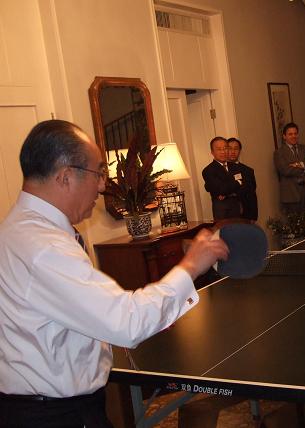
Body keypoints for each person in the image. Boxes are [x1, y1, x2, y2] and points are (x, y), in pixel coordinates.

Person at [0, 120, 229, 427]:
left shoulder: (16, 229)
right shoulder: (44, 247)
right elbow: (126, 321)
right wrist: (191, 266)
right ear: (65, 176)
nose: (102, 186)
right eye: (97, 173)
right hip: (55, 416)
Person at [273, 122, 305, 216]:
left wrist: (299, 164)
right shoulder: (279, 153)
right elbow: (285, 170)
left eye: (295, 133)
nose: (294, 136)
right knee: (296, 223)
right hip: (292, 195)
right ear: (284, 136)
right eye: (290, 134)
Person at [202, 136, 243, 221]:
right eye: (219, 149)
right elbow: (221, 189)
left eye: (225, 148)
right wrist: (237, 183)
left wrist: (225, 192)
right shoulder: (208, 170)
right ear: (212, 152)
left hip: (236, 206)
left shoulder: (235, 167)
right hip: (221, 209)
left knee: (238, 228)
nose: (223, 152)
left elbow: (243, 185)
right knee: (223, 229)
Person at [227, 137, 258, 222]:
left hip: (246, 214)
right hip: (228, 214)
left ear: (240, 151)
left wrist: (253, 216)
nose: (233, 152)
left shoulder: (248, 170)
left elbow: (252, 194)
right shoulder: (221, 170)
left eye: (236, 148)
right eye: (230, 148)